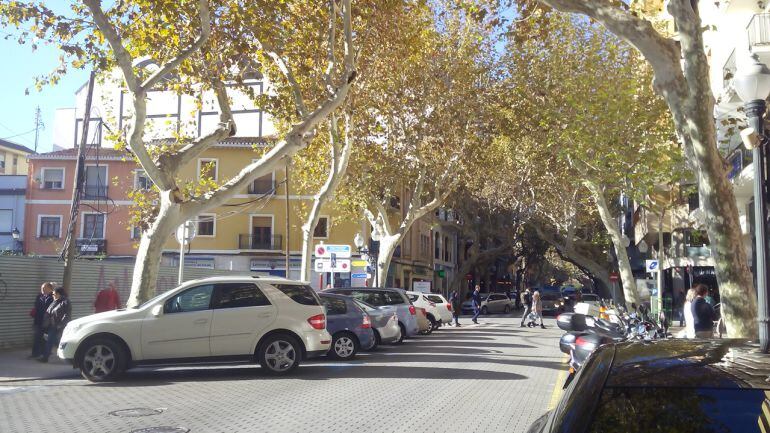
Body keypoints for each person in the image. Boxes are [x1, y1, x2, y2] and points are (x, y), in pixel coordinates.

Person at [38, 287, 71, 363]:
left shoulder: (65, 302)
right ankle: (67, 357)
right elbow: (50, 311)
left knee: (50, 341)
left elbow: (67, 315)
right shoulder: (56, 301)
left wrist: (60, 325)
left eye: (54, 294)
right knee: (57, 341)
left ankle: (45, 357)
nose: (52, 295)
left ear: (58, 294)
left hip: (57, 325)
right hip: (51, 324)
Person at [29, 282, 54, 359]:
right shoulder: (39, 296)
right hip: (38, 320)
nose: (42, 289)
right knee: (37, 337)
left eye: (44, 288)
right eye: (42, 288)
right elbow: (36, 306)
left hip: (47, 322)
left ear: (50, 289)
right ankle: (35, 353)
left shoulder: (53, 297)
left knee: (45, 338)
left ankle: (44, 353)